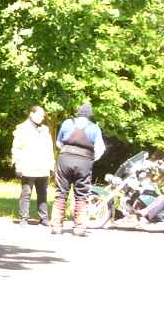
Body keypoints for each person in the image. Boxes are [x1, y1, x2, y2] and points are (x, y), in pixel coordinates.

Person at [51, 101, 105, 236]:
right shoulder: (94, 128)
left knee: (61, 192)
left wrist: (67, 151)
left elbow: (58, 143)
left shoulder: (67, 123)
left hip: (65, 159)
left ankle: (57, 226)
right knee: (82, 194)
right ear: (90, 115)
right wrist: (92, 159)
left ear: (78, 113)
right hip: (84, 161)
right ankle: (79, 228)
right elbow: (100, 149)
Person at [10, 105, 54, 226]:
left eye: (43, 116)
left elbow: (50, 148)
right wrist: (17, 165)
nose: (41, 118)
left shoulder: (45, 129)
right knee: (26, 192)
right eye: (39, 115)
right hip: (27, 166)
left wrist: (51, 165)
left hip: (43, 167)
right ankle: (24, 217)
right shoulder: (22, 128)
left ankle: (44, 217)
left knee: (43, 193)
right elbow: (16, 148)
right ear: (31, 114)